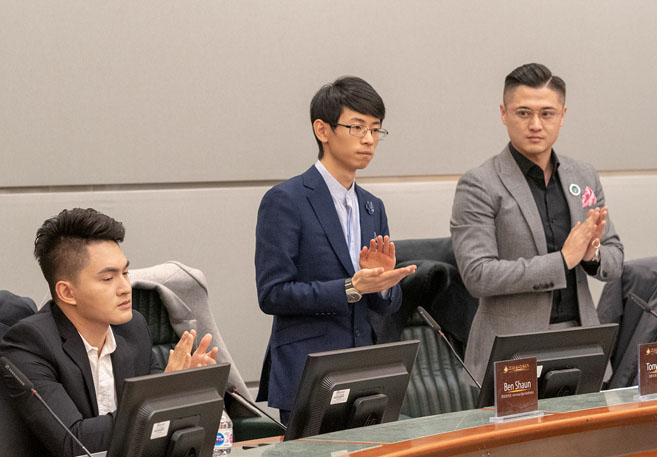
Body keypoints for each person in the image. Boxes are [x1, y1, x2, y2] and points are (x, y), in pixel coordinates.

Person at [450, 63, 624, 387]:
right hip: (511, 349)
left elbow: (614, 258)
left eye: (546, 114)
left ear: (562, 115)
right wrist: (562, 261)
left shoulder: (583, 175)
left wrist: (591, 255)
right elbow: (477, 275)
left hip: (581, 342)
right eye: (523, 113)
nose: (535, 125)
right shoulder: (480, 184)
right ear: (503, 114)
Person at [255, 76, 416, 423]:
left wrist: (384, 284)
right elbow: (272, 294)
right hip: (308, 370)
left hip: (365, 370)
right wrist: (350, 288)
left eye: (376, 129)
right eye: (357, 127)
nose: (369, 139)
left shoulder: (373, 206)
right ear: (322, 130)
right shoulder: (286, 200)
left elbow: (385, 304)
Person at [0, 208, 218, 457]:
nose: (125, 287)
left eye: (125, 273)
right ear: (67, 292)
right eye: (108, 279)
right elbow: (74, 442)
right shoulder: (29, 344)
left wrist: (188, 388)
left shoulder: (133, 328)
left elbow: (159, 425)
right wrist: (166, 394)